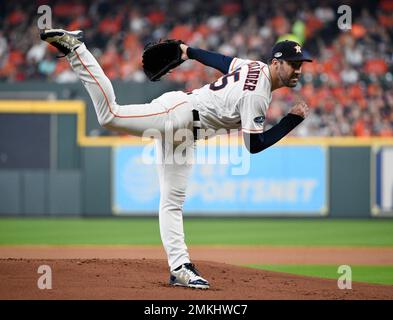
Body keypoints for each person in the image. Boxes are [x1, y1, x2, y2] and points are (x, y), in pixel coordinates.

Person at [40, 28, 312, 290]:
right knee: (110, 116)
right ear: (276, 63)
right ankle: (78, 49)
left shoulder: (252, 66)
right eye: (293, 64)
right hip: (178, 114)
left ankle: (180, 267)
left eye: (301, 64)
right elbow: (254, 144)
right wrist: (291, 120)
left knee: (172, 202)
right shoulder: (259, 93)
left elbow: (223, 61)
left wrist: (188, 51)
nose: (298, 69)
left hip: (186, 134)